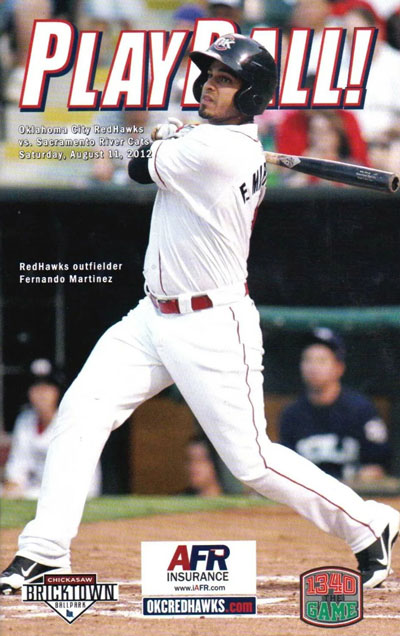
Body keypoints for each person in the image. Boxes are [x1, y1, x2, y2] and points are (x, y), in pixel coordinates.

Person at [1, 33, 398, 596]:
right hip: (150, 318)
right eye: (209, 75)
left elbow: (139, 168)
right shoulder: (222, 144)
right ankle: (44, 553)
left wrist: (167, 136)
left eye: (225, 78)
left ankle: (370, 524)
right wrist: (178, 134)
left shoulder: (211, 152)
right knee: (81, 412)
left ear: (252, 93)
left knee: (252, 461)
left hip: (212, 323)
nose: (210, 85)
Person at [279, 328, 391, 481]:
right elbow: (284, 470)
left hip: (353, 496)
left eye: (321, 361)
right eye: (307, 360)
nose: (313, 367)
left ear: (339, 368)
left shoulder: (360, 409)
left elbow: (377, 468)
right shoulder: (292, 414)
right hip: (308, 498)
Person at [1, 362, 102, 500]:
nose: (41, 393)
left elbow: (75, 479)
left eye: (47, 387)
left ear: (58, 391)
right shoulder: (25, 421)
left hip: (72, 491)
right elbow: (16, 470)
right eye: (36, 386)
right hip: (33, 490)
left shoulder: (72, 420)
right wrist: (13, 486)